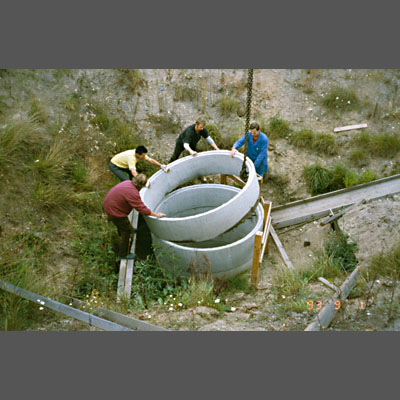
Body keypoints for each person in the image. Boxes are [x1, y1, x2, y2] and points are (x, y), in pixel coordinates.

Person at [104, 174, 166, 260]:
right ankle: (123, 254)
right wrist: (156, 214)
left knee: (123, 226)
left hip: (109, 205)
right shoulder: (133, 193)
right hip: (115, 212)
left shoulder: (127, 182)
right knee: (129, 232)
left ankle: (121, 230)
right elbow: (142, 209)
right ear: (140, 186)